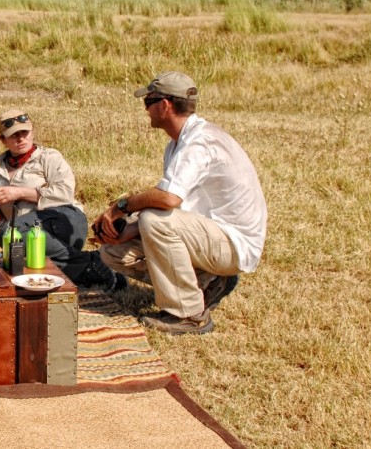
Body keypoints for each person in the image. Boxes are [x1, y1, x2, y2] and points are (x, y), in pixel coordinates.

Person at [93, 71, 268, 335]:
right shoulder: (179, 143)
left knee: (152, 219)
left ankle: (190, 314)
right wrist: (128, 231)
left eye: (148, 103)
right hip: (209, 234)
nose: (146, 111)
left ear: (164, 105)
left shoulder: (199, 142)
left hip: (233, 243)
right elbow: (172, 207)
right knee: (113, 253)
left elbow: (168, 199)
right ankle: (204, 283)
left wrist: (121, 207)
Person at [0, 109, 123, 290]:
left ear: (32, 132)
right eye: (13, 135)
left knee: (10, 234)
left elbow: (64, 193)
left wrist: (20, 193)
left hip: (65, 219)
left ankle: (90, 263)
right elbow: (7, 205)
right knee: (24, 255)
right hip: (28, 230)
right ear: (3, 139)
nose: (21, 139)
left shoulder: (49, 157)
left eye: (24, 133)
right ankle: (95, 266)